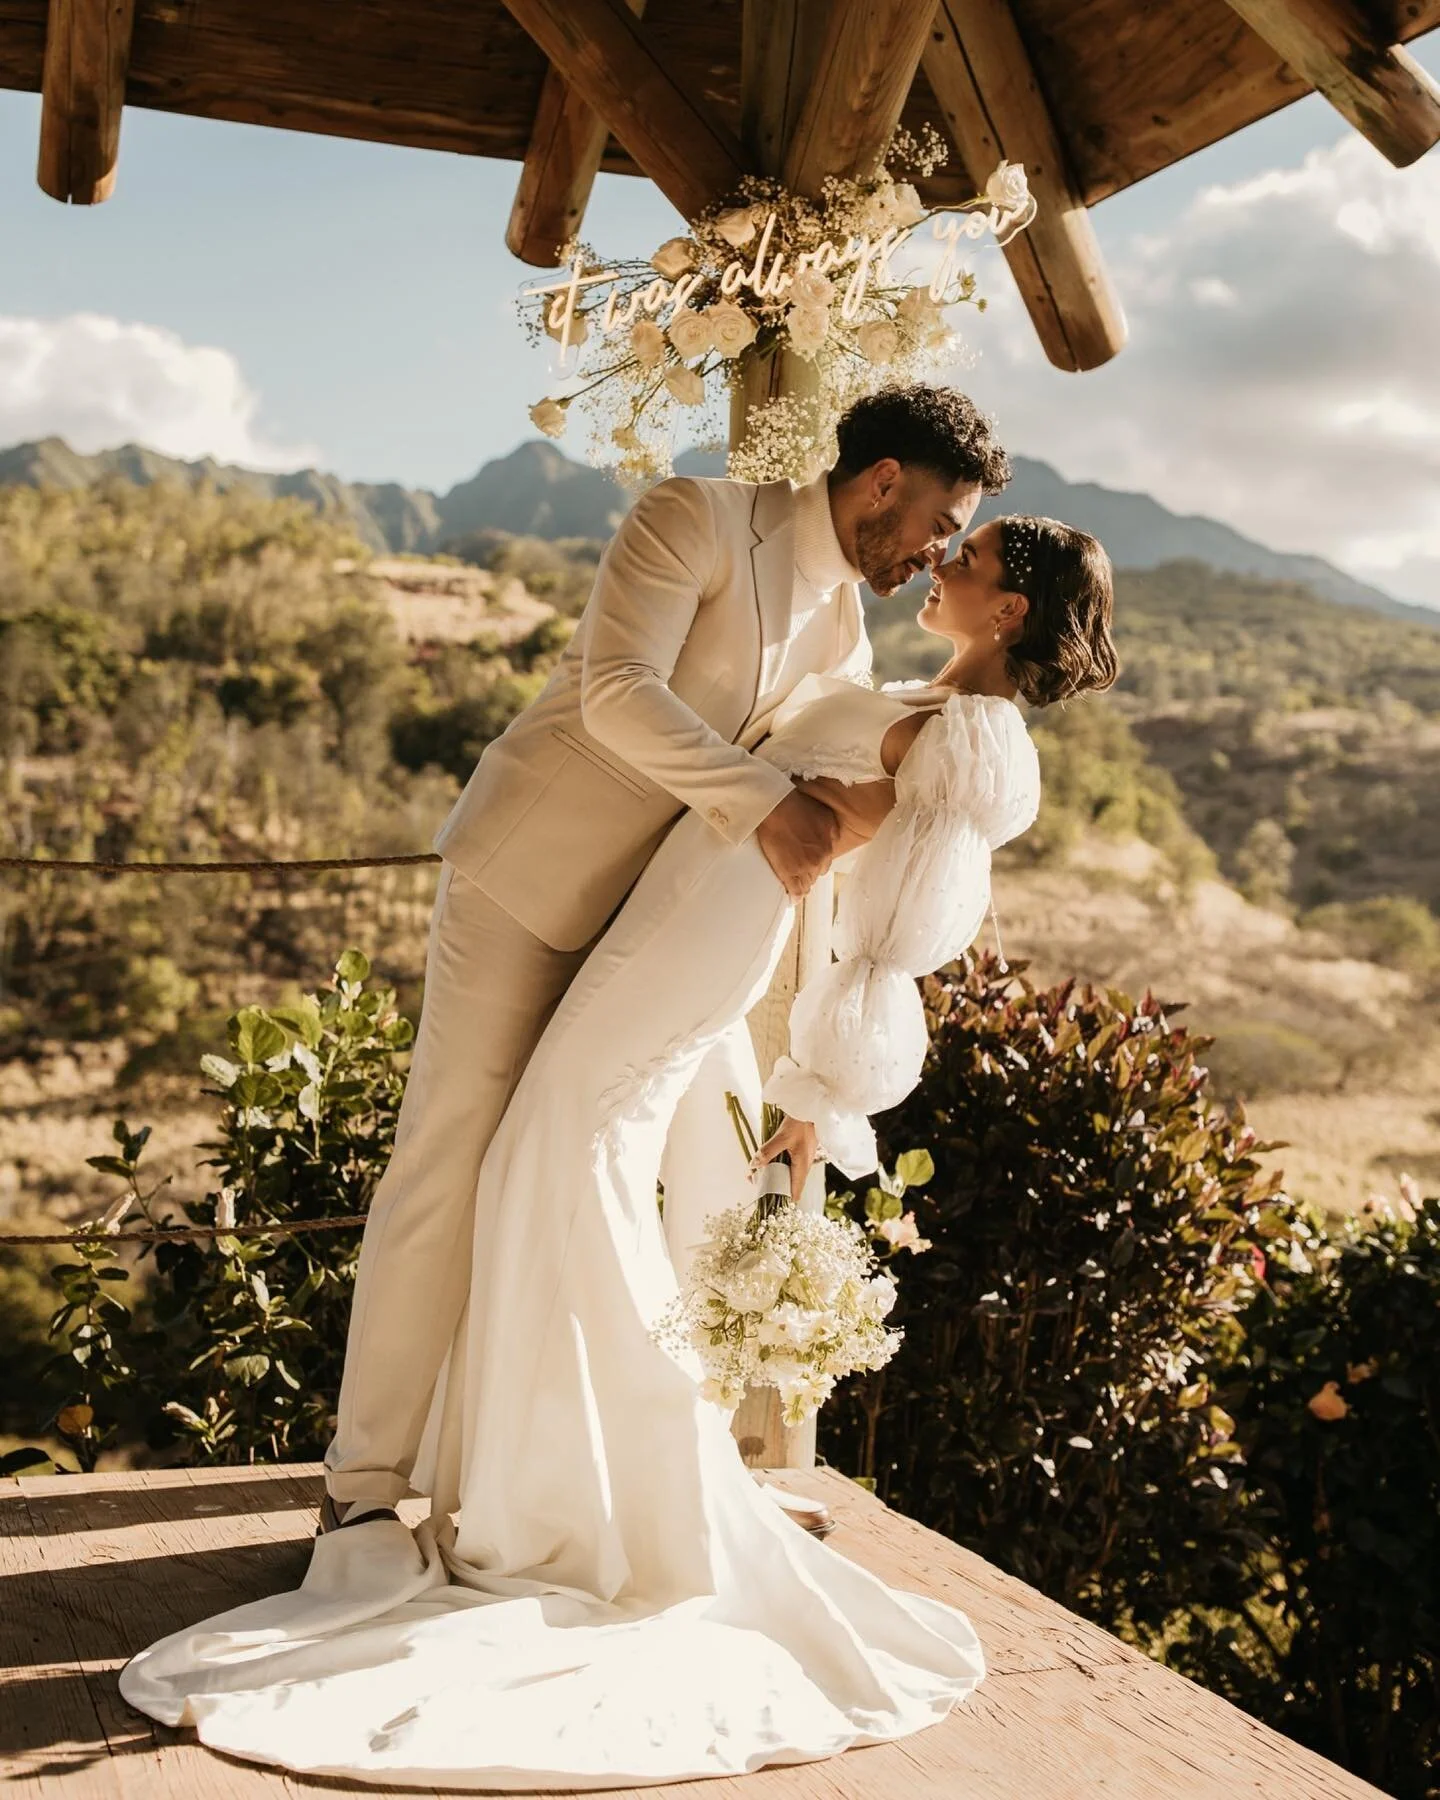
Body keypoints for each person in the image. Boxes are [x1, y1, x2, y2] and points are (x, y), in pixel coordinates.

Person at [117, 506, 1119, 1791]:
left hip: (714, 924)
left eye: (967, 560)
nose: (941, 562)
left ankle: (589, 1504)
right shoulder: (913, 690)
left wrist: (825, 1083)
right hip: (684, 901)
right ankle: (565, 1485)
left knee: (557, 1152)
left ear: (1014, 611)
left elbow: (887, 934)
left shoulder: (959, 737)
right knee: (549, 1153)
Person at [315, 384, 1011, 1540]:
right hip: (528, 883)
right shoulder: (693, 516)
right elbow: (615, 695)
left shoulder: (845, 631)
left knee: (689, 1167)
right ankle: (364, 1483)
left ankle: (644, 1482)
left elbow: (834, 837)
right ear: (882, 481)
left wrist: (815, 1059)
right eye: (942, 520)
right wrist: (768, 807)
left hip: (658, 937)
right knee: (451, 1158)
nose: (938, 551)